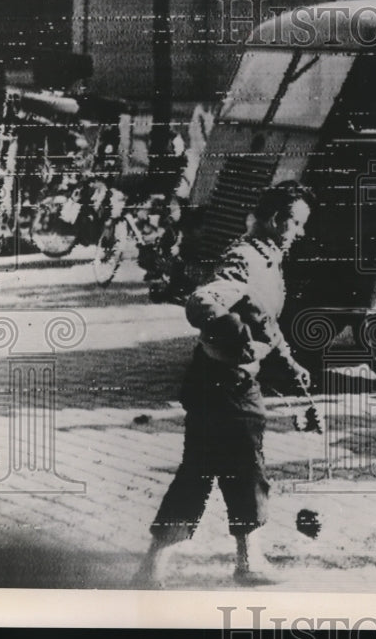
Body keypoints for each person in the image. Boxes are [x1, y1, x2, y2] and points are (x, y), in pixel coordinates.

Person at [133, 181, 314, 587]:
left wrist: (289, 362)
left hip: (213, 379)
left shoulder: (267, 256)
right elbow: (203, 303)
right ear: (275, 220)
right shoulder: (246, 257)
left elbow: (264, 320)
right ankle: (248, 562)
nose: (300, 233)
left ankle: (152, 569)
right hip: (227, 383)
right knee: (246, 468)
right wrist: (243, 343)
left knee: (200, 470)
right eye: (296, 223)